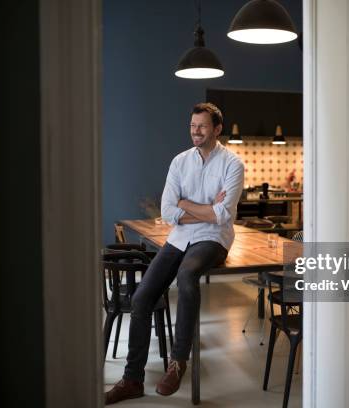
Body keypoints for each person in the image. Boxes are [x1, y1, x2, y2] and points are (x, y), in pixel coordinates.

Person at [105, 103, 245, 404]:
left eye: (202, 126)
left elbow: (222, 217)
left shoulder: (233, 164)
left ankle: (179, 361)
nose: (195, 130)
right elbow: (168, 212)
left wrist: (186, 204)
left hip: (213, 239)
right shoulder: (180, 162)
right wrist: (202, 209)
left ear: (217, 129)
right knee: (142, 297)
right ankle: (132, 380)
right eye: (193, 125)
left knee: (187, 274)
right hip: (179, 237)